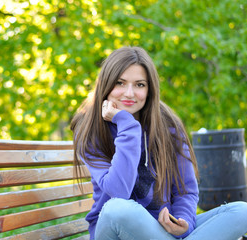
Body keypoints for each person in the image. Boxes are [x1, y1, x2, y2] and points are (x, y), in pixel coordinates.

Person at [70, 46, 247, 240]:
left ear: (150, 89)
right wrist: (127, 125)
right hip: (116, 230)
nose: (129, 93)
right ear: (106, 84)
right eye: (120, 83)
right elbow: (118, 191)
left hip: (160, 232)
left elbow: (185, 189)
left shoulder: (167, 124)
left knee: (241, 211)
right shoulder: (90, 129)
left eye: (139, 85)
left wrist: (183, 223)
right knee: (117, 208)